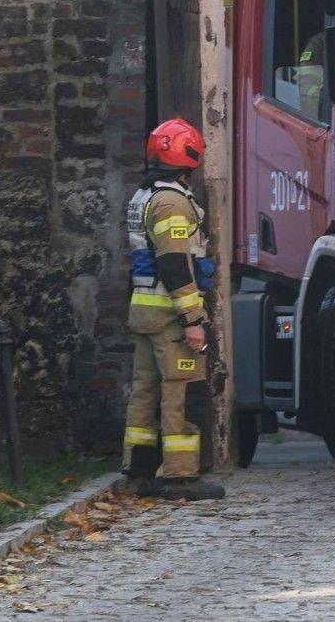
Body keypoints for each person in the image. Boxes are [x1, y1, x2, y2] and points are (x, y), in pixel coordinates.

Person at [120, 118, 225, 502]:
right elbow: (175, 264)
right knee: (181, 392)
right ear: (190, 155)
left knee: (144, 394)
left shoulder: (144, 196)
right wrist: (193, 319)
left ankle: (139, 472)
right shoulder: (172, 202)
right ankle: (181, 477)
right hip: (170, 316)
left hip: (146, 311)